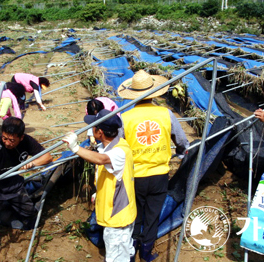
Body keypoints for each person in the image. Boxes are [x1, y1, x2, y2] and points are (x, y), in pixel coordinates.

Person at [118, 70, 190, 261]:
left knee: (135, 215)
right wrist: (182, 152)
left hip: (135, 176)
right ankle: (147, 253)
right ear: (154, 92)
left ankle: (131, 254)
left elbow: (117, 146)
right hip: (159, 175)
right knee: (152, 216)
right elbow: (181, 141)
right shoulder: (166, 114)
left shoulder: (125, 117)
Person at [62, 109, 136, 262]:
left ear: (100, 132)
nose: (91, 129)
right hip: (120, 213)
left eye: (93, 127)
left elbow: (101, 160)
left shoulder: (119, 151)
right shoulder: (113, 145)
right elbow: (111, 175)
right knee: (125, 251)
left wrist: (75, 148)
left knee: (116, 257)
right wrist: (99, 192)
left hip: (117, 218)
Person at [0, 117, 53, 262]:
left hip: (15, 186)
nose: (7, 143)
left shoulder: (27, 141)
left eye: (12, 140)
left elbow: (48, 157)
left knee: (30, 212)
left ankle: (20, 225)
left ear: (21, 137)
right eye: (5, 138)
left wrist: (32, 163)